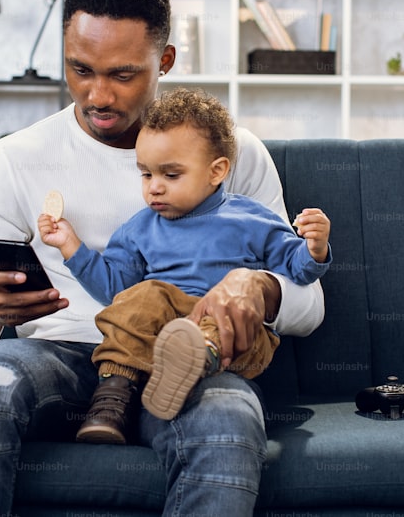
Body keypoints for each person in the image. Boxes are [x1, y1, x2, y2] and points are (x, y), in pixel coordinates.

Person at [0, 0, 324, 517]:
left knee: (229, 423)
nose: (97, 95)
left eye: (123, 75)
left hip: (184, 358)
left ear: (165, 62)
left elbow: (307, 300)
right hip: (55, 355)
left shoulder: (234, 153)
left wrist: (258, 288)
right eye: (79, 69)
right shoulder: (15, 158)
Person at [38, 87, 331, 444]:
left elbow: (294, 270)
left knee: (219, 315)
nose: (154, 189)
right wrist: (72, 247)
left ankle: (194, 358)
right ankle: (112, 399)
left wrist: (314, 249)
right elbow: (116, 291)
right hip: (162, 333)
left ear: (216, 171)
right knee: (144, 297)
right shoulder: (139, 228)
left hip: (233, 334)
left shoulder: (250, 217)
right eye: (146, 175)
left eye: (171, 175)